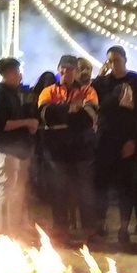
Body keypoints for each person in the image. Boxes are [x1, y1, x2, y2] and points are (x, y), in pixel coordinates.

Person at [39, 54, 100, 241]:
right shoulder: (48, 91)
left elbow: (88, 119)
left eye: (70, 68)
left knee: (85, 191)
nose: (66, 72)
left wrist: (61, 116)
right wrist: (71, 109)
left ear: (75, 70)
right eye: (63, 68)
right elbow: (45, 115)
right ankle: (60, 231)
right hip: (57, 151)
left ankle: (89, 231)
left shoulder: (88, 91)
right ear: (58, 69)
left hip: (81, 149)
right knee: (59, 192)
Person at [94, 46, 137, 242]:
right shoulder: (102, 83)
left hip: (127, 140)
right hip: (105, 140)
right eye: (110, 61)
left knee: (126, 186)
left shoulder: (136, 81)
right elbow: (98, 106)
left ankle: (124, 228)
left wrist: (134, 140)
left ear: (125, 60)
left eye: (116, 60)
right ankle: (101, 225)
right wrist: (103, 82)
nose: (113, 64)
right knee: (101, 184)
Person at [0, 57, 38, 236]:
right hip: (5, 149)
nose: (19, 75)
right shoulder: (0, 93)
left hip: (15, 150)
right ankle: (3, 233)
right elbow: (2, 124)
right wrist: (27, 122)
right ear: (8, 73)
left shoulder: (11, 92)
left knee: (14, 191)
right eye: (16, 71)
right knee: (5, 190)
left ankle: (12, 230)